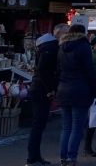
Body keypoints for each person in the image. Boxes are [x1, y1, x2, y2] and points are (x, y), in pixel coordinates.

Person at [56, 23, 96, 166]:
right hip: (80, 90)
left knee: (66, 127)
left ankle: (63, 157)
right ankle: (71, 157)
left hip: (64, 88)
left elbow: (58, 70)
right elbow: (89, 71)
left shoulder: (62, 47)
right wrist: (95, 90)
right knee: (77, 127)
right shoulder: (84, 46)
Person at [26, 23, 69, 166]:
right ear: (59, 33)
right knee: (38, 125)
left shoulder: (47, 46)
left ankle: (35, 156)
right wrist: (50, 89)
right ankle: (32, 158)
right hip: (41, 90)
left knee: (39, 125)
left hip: (40, 88)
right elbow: (43, 70)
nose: (68, 35)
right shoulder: (51, 48)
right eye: (66, 32)